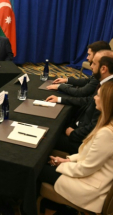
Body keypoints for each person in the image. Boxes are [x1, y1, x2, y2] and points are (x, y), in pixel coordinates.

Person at [39, 80, 113, 214]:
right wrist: (67, 160)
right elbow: (89, 154)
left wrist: (61, 165)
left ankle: (31, 208)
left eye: (98, 96)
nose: (95, 97)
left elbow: (86, 169)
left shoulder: (106, 133)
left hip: (90, 187)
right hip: (91, 174)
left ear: (107, 103)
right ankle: (54, 206)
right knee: (43, 164)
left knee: (38, 170)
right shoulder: (107, 123)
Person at [46, 50, 113, 154]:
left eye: (94, 64)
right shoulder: (104, 82)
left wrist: (74, 133)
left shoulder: (108, 91)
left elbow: (96, 125)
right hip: (80, 125)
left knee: (47, 137)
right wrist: (60, 99)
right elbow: (88, 101)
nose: (91, 66)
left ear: (103, 69)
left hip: (83, 141)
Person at [46, 41, 111, 96]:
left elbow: (82, 92)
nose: (87, 58)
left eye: (89, 55)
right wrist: (67, 80)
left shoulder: (101, 75)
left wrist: (60, 87)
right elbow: (88, 81)